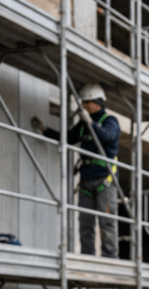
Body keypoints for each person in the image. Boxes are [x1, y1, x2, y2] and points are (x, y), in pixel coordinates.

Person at [32, 83, 120, 257]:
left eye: (88, 102)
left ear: (99, 102)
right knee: (85, 223)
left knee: (107, 222)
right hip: (86, 181)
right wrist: (45, 130)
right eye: (83, 103)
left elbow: (106, 135)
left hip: (105, 181)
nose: (85, 106)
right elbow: (67, 138)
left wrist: (90, 123)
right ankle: (88, 256)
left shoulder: (110, 121)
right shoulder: (82, 125)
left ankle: (111, 259)